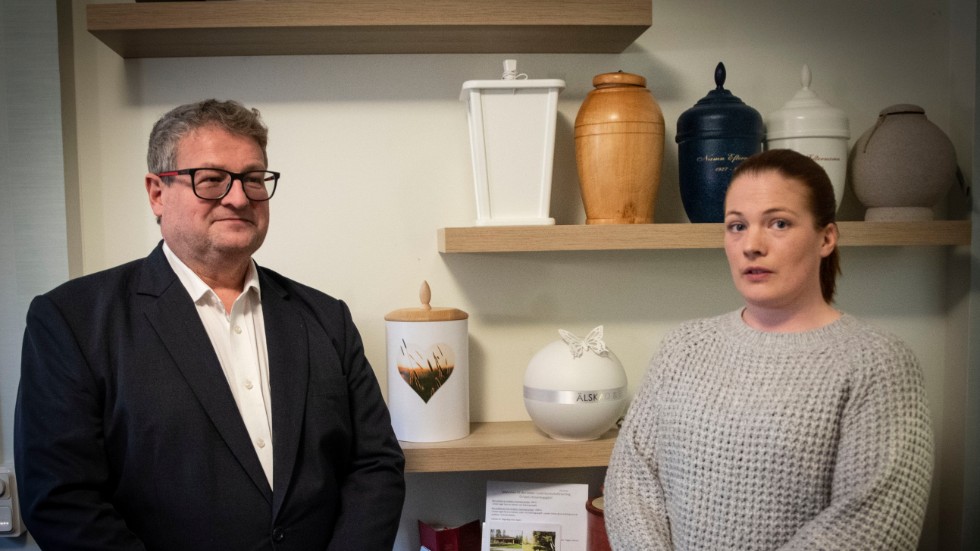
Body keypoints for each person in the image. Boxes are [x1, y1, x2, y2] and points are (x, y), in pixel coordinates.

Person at [14, 99, 406, 550]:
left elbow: (375, 464)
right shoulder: (72, 321)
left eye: (253, 179)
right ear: (157, 193)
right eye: (212, 179)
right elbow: (62, 501)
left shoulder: (326, 318)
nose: (239, 198)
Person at [604, 149, 934, 550]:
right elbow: (631, 480)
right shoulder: (682, 349)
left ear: (826, 238)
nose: (752, 245)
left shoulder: (877, 362)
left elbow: (874, 525)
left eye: (779, 223)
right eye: (737, 226)